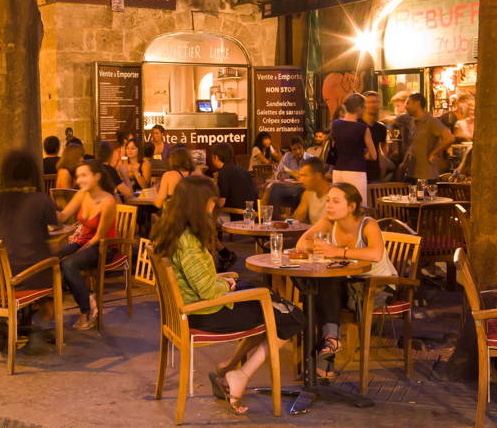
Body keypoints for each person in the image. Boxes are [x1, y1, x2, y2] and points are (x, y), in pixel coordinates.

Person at [151, 175, 301, 413]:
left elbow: (198, 282)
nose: (215, 207)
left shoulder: (173, 231)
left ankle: (229, 367)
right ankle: (240, 374)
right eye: (211, 203)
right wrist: (227, 286)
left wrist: (226, 281)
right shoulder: (187, 242)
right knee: (292, 315)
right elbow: (209, 291)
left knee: (267, 297)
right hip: (205, 314)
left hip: (192, 309)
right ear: (198, 204)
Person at [295, 183, 395, 381]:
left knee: (317, 291)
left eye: (336, 201)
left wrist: (337, 252)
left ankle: (320, 365)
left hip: (376, 288)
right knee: (312, 290)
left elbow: (375, 253)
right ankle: (330, 343)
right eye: (328, 200)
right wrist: (321, 249)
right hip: (346, 286)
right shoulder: (329, 222)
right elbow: (301, 243)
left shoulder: (368, 224)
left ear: (351, 206)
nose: (329, 206)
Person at [0, 150, 60, 355]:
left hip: (2, 275)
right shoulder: (41, 199)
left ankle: (2, 324)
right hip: (33, 273)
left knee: (10, 275)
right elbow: (54, 228)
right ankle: (39, 330)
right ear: (31, 173)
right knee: (56, 282)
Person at [57, 157, 121, 329]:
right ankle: (89, 295)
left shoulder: (108, 202)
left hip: (103, 247)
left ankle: (86, 310)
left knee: (68, 264)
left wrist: (76, 252)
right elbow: (63, 216)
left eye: (84, 175)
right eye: (78, 176)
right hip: (84, 242)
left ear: (97, 176)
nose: (79, 180)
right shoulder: (81, 195)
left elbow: (98, 237)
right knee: (53, 258)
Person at [329, 93, 377, 198]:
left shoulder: (335, 124)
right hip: (355, 170)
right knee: (358, 205)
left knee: (339, 203)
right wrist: (363, 154)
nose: (364, 110)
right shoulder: (363, 129)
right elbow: (374, 156)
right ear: (359, 107)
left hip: (338, 170)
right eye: (363, 107)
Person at [403, 92, 453, 182]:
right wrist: (403, 165)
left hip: (426, 176)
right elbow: (413, 146)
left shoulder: (431, 121)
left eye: (407, 103)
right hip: (412, 173)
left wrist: (434, 153)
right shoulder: (414, 122)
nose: (405, 106)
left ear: (417, 104)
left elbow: (450, 138)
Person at [289, 157, 333, 225]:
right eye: (300, 176)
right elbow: (296, 220)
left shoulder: (334, 193)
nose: (301, 180)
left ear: (318, 175)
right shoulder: (307, 194)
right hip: (312, 234)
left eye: (304, 176)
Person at [361, 91, 390, 183]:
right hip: (358, 171)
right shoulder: (357, 124)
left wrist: (382, 170)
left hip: (374, 173)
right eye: (369, 102)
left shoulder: (381, 128)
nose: (372, 105)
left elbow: (384, 150)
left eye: (375, 102)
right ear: (363, 104)